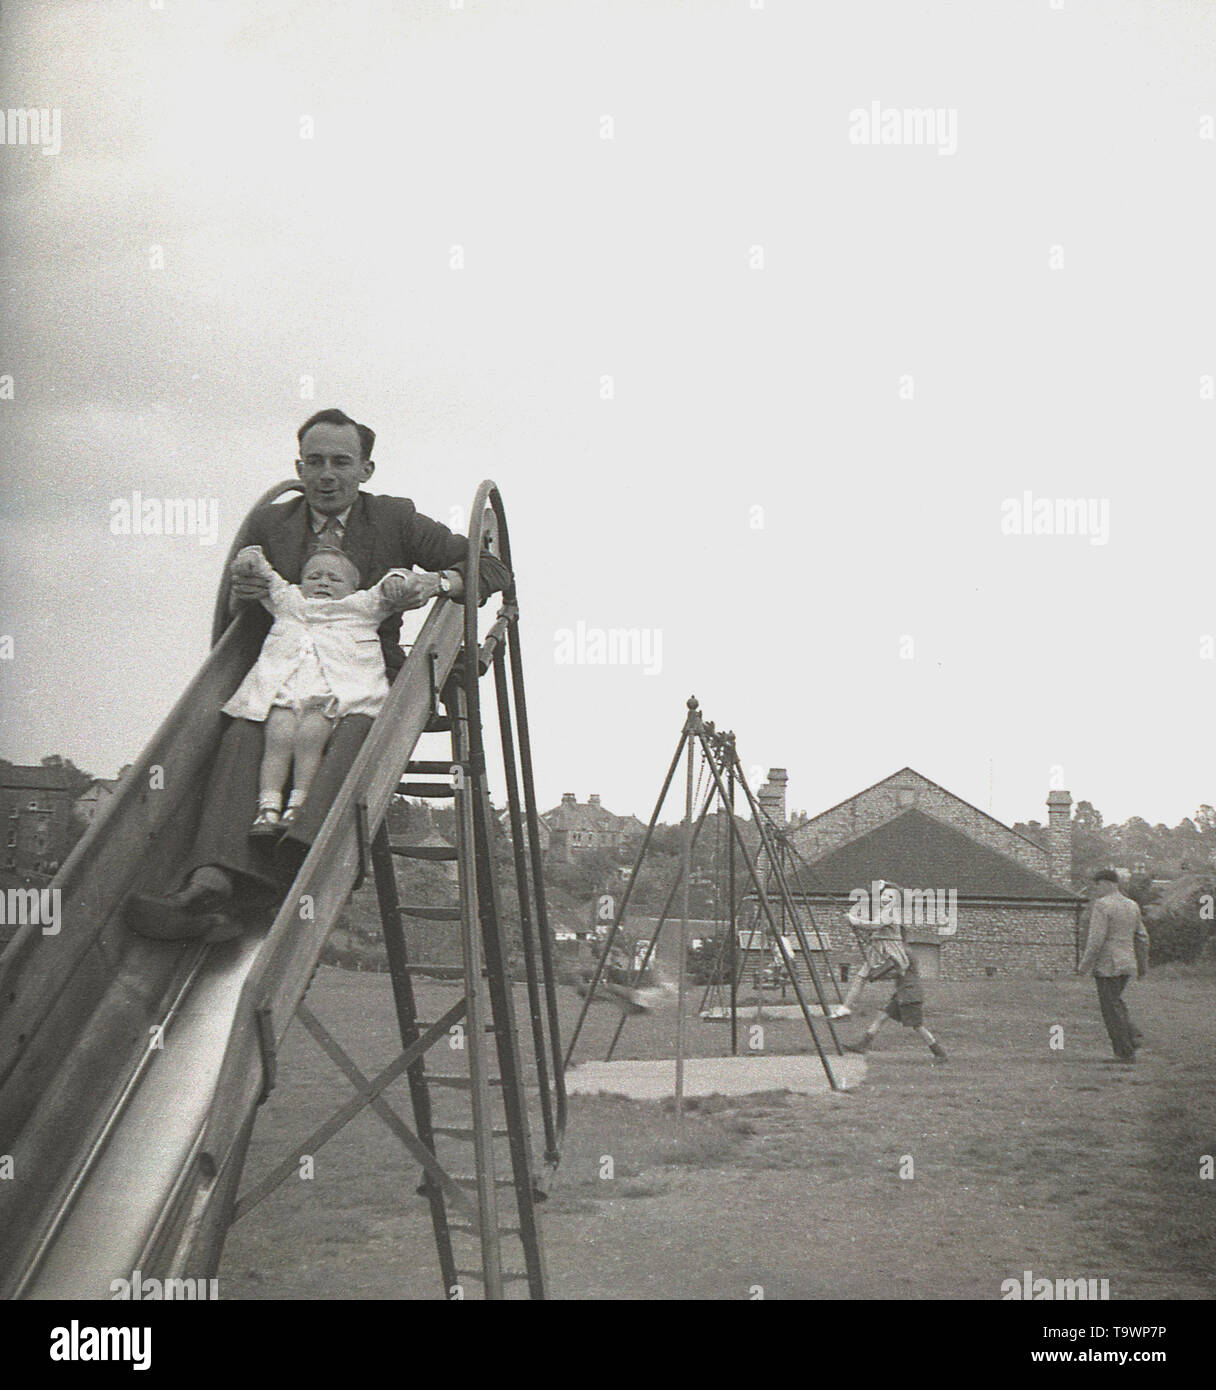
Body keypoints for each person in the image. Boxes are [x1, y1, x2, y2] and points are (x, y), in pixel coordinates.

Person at [124, 407, 511, 943]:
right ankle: (210, 881)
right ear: (300, 468)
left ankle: (287, 873)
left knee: (354, 732)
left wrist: (439, 583)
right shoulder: (272, 526)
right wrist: (244, 590)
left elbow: (492, 569)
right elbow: (245, 606)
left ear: (365, 471)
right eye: (315, 462)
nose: (327, 475)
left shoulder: (395, 520)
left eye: (340, 462)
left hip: (362, 668)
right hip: (288, 668)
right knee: (243, 730)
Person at [221, 545, 416, 834]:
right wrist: (250, 559)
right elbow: (268, 577)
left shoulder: (360, 607)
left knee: (310, 739)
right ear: (301, 582)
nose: (323, 582)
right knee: (278, 739)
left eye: (334, 579)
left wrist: (397, 579)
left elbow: (387, 592)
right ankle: (268, 807)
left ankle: (298, 804)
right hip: (286, 689)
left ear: (352, 588)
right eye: (314, 576)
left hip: (326, 693)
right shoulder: (290, 602)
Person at [1077, 868, 1150, 1064]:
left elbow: (1096, 940)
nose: (1096, 889)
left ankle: (1125, 1052)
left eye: (1098, 885)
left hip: (1108, 964)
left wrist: (1083, 966)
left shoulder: (1102, 905)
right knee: (1116, 1002)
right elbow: (1142, 938)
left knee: (1110, 1008)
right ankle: (1133, 1037)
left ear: (1109, 883)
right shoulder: (1132, 905)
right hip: (1127, 963)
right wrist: (1142, 966)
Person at [828, 880, 910, 1019]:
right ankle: (846, 1007)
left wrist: (854, 920)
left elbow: (875, 925)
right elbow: (874, 929)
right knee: (864, 977)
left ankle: (846, 1007)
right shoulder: (884, 911)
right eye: (884, 895)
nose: (885, 899)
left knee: (868, 976)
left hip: (888, 949)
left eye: (890, 897)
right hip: (880, 948)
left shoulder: (890, 912)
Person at [844, 957, 948, 1062]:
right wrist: (875, 975)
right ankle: (862, 1045)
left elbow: (893, 970)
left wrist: (873, 975)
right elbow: (893, 972)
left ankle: (939, 1053)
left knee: (917, 1026)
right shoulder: (902, 953)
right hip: (902, 994)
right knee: (881, 1017)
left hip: (909, 995)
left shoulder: (904, 954)